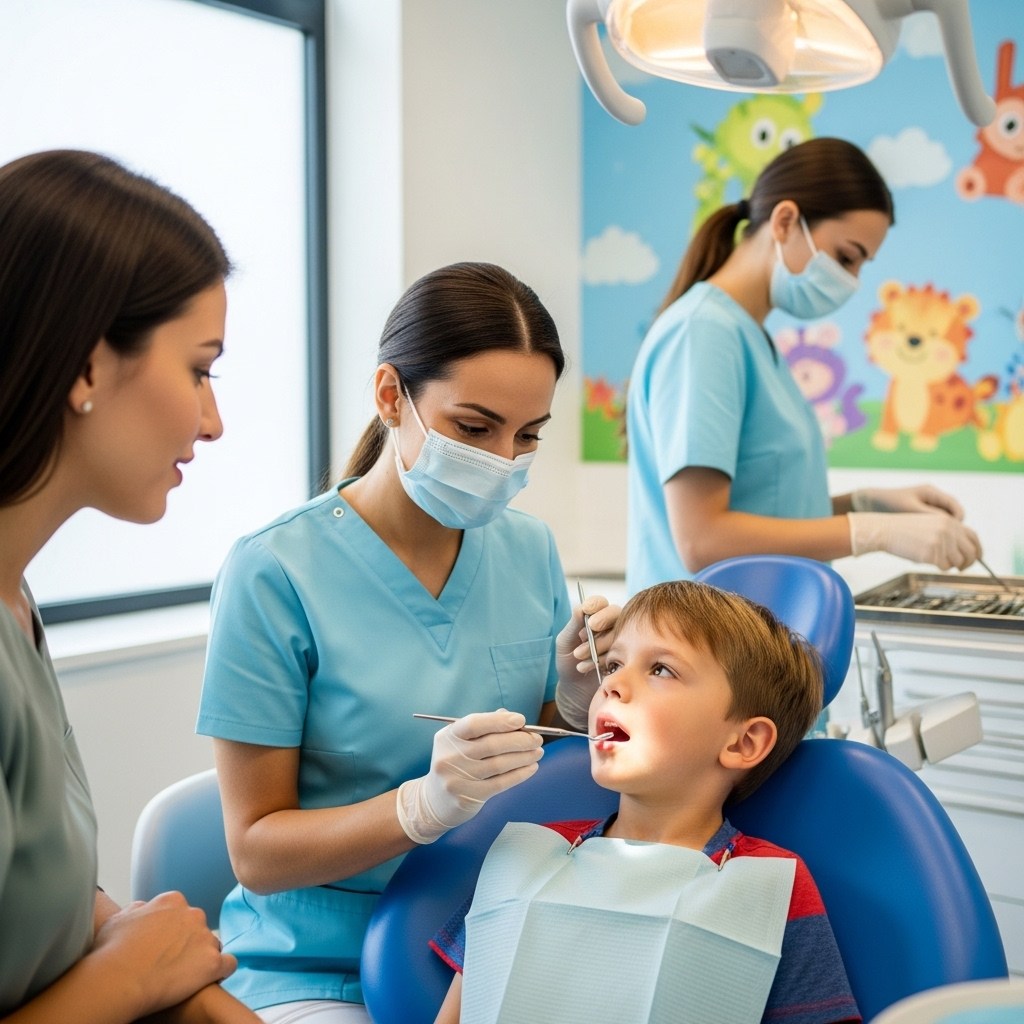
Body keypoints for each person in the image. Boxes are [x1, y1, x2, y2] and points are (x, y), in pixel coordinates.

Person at [196, 262, 617, 1022]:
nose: (502, 460)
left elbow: (544, 752)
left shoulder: (529, 549)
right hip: (322, 968)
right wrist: (422, 807)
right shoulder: (275, 571)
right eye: (473, 427)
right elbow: (256, 852)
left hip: (493, 936)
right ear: (392, 395)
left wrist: (580, 703)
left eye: (528, 436)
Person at [0, 150, 259, 1023]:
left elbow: (36, 900)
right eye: (199, 368)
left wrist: (160, 960)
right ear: (85, 366)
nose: (212, 421)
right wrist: (131, 975)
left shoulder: (15, 603)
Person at [430, 579, 860, 1024]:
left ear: (744, 741)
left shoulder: (768, 887)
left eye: (661, 670)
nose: (613, 685)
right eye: (613, 664)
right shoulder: (528, 855)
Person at [626, 136, 982, 595]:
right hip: (695, 648)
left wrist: (868, 503)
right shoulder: (705, 333)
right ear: (786, 221)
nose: (852, 281)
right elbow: (704, 538)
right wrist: (873, 531)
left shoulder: (749, 337)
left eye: (860, 265)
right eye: (846, 257)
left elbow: (769, 511)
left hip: (754, 641)